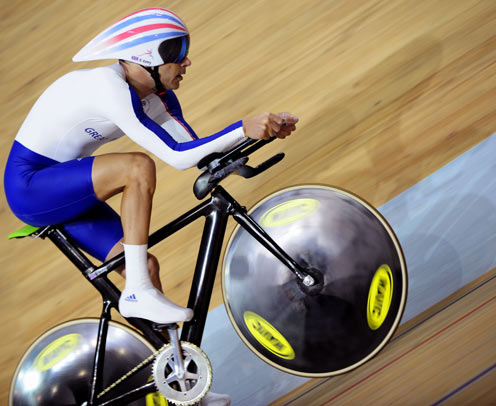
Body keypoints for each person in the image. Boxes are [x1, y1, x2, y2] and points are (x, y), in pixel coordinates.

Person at [4, 8, 297, 405]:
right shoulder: (108, 89)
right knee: (137, 167)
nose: (187, 60)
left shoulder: (157, 97)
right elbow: (173, 157)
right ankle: (138, 292)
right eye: (177, 50)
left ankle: (184, 390)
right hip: (33, 185)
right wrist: (241, 127)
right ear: (146, 59)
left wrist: (256, 137)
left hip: (67, 185)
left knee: (145, 265)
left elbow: (194, 152)